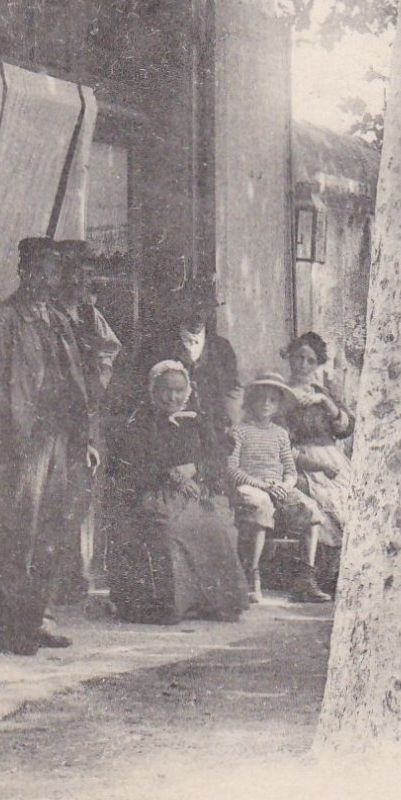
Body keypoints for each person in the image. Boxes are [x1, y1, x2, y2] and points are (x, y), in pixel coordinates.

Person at [0, 237, 86, 654]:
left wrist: (84, 435)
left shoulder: (60, 321)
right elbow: (0, 385)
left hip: (59, 437)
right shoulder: (8, 319)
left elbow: (78, 382)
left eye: (54, 272)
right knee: (20, 531)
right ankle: (15, 627)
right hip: (25, 439)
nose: (50, 280)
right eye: (42, 271)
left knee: (54, 528)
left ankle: (41, 618)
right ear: (25, 272)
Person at [107, 361, 248, 624]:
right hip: (153, 494)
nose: (173, 397)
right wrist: (169, 474)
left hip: (195, 493)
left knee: (215, 525)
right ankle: (173, 603)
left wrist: (195, 468)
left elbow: (217, 459)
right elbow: (129, 467)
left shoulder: (197, 422)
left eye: (179, 390)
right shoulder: (140, 423)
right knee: (170, 527)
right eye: (166, 390)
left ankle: (212, 601)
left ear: (188, 391)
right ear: (153, 390)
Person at [51, 239, 122, 605]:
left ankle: (77, 573)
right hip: (62, 418)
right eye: (76, 271)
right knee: (59, 498)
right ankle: (59, 580)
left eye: (87, 272)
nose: (83, 279)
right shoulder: (52, 313)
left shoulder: (89, 315)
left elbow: (111, 350)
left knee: (82, 496)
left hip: (89, 414)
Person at [229, 372, 330, 603]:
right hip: (250, 486)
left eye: (272, 400)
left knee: (310, 510)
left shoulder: (281, 434)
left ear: (279, 405)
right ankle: (251, 576)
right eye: (261, 398)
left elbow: (290, 469)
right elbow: (232, 470)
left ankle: (305, 577)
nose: (266, 404)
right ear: (251, 401)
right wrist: (262, 485)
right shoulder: (240, 431)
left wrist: (285, 485)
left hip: (278, 487)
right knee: (261, 505)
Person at [130, 275, 241, 445]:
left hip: (213, 439)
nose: (197, 314)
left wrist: (231, 425)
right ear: (180, 306)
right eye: (192, 306)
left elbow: (232, 391)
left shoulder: (221, 348)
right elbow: (140, 391)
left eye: (204, 308)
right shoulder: (157, 345)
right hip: (169, 437)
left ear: (211, 310)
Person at [280, 332, 354, 587]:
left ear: (317, 364)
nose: (303, 365)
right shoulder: (280, 393)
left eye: (310, 360)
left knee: (350, 505)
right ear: (289, 358)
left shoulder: (323, 393)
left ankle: (340, 575)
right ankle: (318, 576)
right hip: (299, 460)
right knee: (326, 507)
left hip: (332, 456)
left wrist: (324, 401)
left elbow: (344, 428)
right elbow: (281, 442)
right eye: (298, 358)